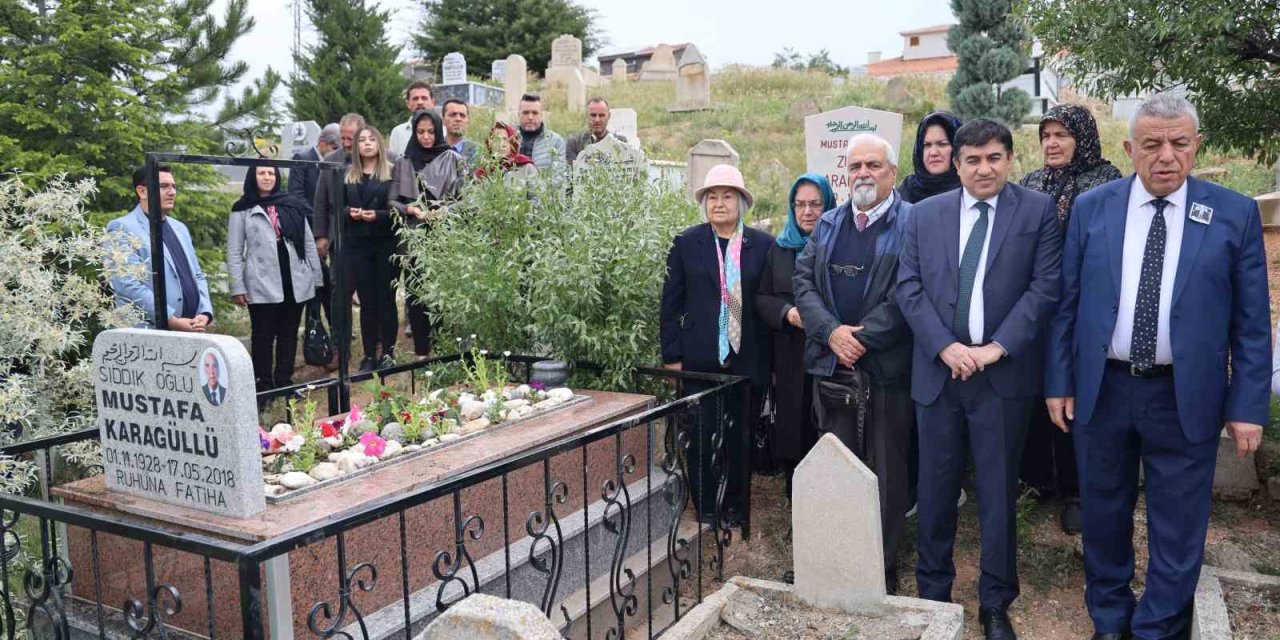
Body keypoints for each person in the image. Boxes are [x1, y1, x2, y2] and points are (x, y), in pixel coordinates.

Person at [1046, 94, 1270, 640]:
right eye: (1152, 144)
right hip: (1104, 389)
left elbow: (1252, 323)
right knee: (1103, 516)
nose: (1165, 155)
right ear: (1130, 148)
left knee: (1178, 524)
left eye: (1178, 143)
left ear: (1196, 146)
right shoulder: (1094, 208)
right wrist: (1059, 381)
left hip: (1184, 395)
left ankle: (1159, 627)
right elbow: (1067, 304)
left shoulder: (1233, 214)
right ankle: (1110, 620)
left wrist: (1247, 407)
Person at [897, 118, 1061, 640]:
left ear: (1009, 159)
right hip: (938, 376)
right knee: (936, 489)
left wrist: (994, 348)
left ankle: (995, 601)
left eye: (993, 157)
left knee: (996, 493)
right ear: (957, 163)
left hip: (1001, 378)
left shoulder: (1036, 211)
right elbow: (909, 287)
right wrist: (945, 346)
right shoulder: (924, 215)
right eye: (972, 159)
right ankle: (933, 596)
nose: (983, 168)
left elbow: (1044, 287)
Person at [793, 135, 915, 594]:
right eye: (856, 165)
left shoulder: (912, 224)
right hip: (832, 368)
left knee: (887, 468)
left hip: (885, 370)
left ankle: (881, 566)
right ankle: (837, 557)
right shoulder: (827, 224)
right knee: (837, 464)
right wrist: (831, 333)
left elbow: (910, 291)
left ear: (892, 172)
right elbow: (803, 282)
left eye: (874, 165)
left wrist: (860, 339)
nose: (864, 173)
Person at [1018, 103, 1124, 535]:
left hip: (1084, 308)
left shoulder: (1107, 182)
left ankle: (1077, 490)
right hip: (1036, 307)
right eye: (1046, 135)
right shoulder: (1032, 183)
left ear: (1083, 137)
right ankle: (1037, 478)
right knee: (1036, 393)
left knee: (1075, 397)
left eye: (1061, 134)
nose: (1052, 143)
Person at [660, 164, 773, 526]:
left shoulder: (763, 246)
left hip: (747, 359)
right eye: (712, 196)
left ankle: (737, 507)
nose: (719, 203)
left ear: (741, 203)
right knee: (702, 434)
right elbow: (670, 304)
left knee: (740, 436)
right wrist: (672, 357)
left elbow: (768, 303)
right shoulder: (686, 243)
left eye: (727, 196)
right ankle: (707, 506)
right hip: (700, 360)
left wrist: (770, 364)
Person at [755, 173, 834, 497]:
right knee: (792, 419)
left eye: (815, 204)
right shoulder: (780, 249)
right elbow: (763, 296)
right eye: (800, 204)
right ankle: (796, 489)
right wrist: (787, 313)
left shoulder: (839, 245)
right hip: (790, 351)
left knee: (827, 419)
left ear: (828, 204)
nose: (807, 212)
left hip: (830, 350)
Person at [228, 166, 323, 391]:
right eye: (262, 173)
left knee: (288, 333)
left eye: (271, 173)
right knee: (262, 334)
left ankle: (284, 381)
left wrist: (316, 278)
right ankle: (263, 384)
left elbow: (308, 242)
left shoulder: (292, 204)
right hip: (261, 280)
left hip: (294, 277)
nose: (267, 177)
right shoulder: (242, 208)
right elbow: (234, 250)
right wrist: (236, 286)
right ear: (253, 176)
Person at [391, 109, 464, 356]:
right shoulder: (404, 161)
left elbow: (466, 199)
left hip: (443, 234)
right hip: (413, 235)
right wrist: (409, 208)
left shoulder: (452, 158)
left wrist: (442, 211)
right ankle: (422, 351)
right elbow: (392, 201)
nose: (425, 137)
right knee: (416, 293)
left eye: (431, 131)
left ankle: (443, 349)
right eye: (420, 132)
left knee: (442, 292)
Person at [107, 165, 214, 331]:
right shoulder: (121, 228)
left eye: (174, 186)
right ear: (142, 191)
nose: (172, 192)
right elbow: (126, 284)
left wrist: (205, 312)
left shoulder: (180, 228)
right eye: (164, 186)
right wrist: (169, 319)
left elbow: (197, 275)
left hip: (191, 330)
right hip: (148, 334)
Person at [342, 126, 398, 373]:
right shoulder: (347, 174)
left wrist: (377, 215)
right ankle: (368, 355)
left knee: (386, 300)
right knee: (366, 302)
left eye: (371, 139)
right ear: (356, 147)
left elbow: (399, 209)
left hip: (385, 243)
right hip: (358, 245)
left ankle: (388, 352)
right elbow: (338, 208)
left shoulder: (391, 172)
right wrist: (349, 213)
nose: (366, 143)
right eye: (361, 140)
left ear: (379, 143)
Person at [898, 111, 963, 204]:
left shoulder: (970, 192)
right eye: (927, 145)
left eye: (942, 144)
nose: (933, 153)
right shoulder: (905, 192)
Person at [287, 122, 340, 205]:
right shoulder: (302, 158)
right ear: (322, 142)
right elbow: (296, 194)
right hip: (309, 215)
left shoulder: (338, 161)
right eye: (334, 148)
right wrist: (316, 215)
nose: (337, 152)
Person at [565, 97, 630, 164]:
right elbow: (571, 170)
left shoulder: (621, 142)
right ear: (587, 116)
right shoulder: (574, 143)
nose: (597, 120)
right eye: (593, 115)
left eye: (601, 115)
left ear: (609, 116)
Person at [516, 93, 566, 171]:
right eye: (526, 113)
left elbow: (559, 176)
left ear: (541, 115)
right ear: (518, 114)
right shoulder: (508, 139)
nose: (530, 117)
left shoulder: (556, 142)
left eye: (535, 113)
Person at [387, 81, 435, 160]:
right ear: (408, 104)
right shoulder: (398, 132)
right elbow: (393, 164)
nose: (420, 102)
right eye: (415, 99)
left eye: (424, 98)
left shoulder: (443, 131)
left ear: (433, 102)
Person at [441, 99, 480, 167]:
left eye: (462, 115)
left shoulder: (478, 152)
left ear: (468, 121)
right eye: (453, 115)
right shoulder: (435, 150)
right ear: (443, 120)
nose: (458, 119)